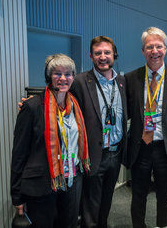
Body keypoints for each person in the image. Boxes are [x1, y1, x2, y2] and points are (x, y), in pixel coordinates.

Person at [124, 27, 167, 228]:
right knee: (138, 197)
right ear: (143, 50)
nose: (154, 51)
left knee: (165, 198)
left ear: (165, 48)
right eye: (149, 47)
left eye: (158, 46)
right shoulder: (131, 78)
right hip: (140, 148)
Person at [11, 54, 90, 228]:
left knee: (68, 224)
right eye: (57, 73)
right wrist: (17, 195)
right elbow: (19, 154)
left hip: (71, 181)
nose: (63, 78)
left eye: (68, 74)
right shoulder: (32, 107)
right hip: (42, 184)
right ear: (49, 77)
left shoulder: (76, 106)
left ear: (73, 77)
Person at [72, 36, 127, 228]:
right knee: (90, 207)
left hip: (116, 153)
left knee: (106, 202)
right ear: (91, 56)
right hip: (94, 154)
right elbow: (59, 98)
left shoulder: (122, 81)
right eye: (98, 53)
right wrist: (33, 102)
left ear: (114, 55)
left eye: (107, 52)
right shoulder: (79, 81)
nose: (102, 57)